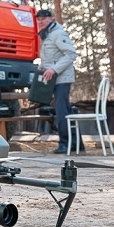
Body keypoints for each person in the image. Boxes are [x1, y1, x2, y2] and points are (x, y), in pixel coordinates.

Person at [35, 9, 83, 154]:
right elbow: (53, 56)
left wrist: (54, 69)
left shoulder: (58, 33)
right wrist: (43, 66)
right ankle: (76, 144)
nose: (40, 21)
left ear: (50, 19)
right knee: (67, 111)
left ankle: (64, 143)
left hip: (62, 79)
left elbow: (71, 54)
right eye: (38, 19)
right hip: (53, 80)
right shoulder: (47, 35)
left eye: (43, 19)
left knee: (61, 111)